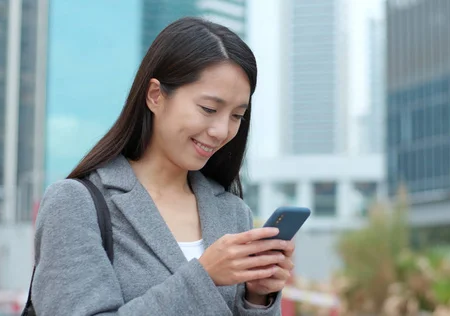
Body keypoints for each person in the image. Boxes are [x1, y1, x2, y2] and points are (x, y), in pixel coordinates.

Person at [31, 17, 294, 315]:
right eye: (209, 109)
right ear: (155, 95)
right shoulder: (75, 203)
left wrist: (257, 298)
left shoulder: (234, 213)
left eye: (237, 116)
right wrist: (203, 276)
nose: (222, 131)